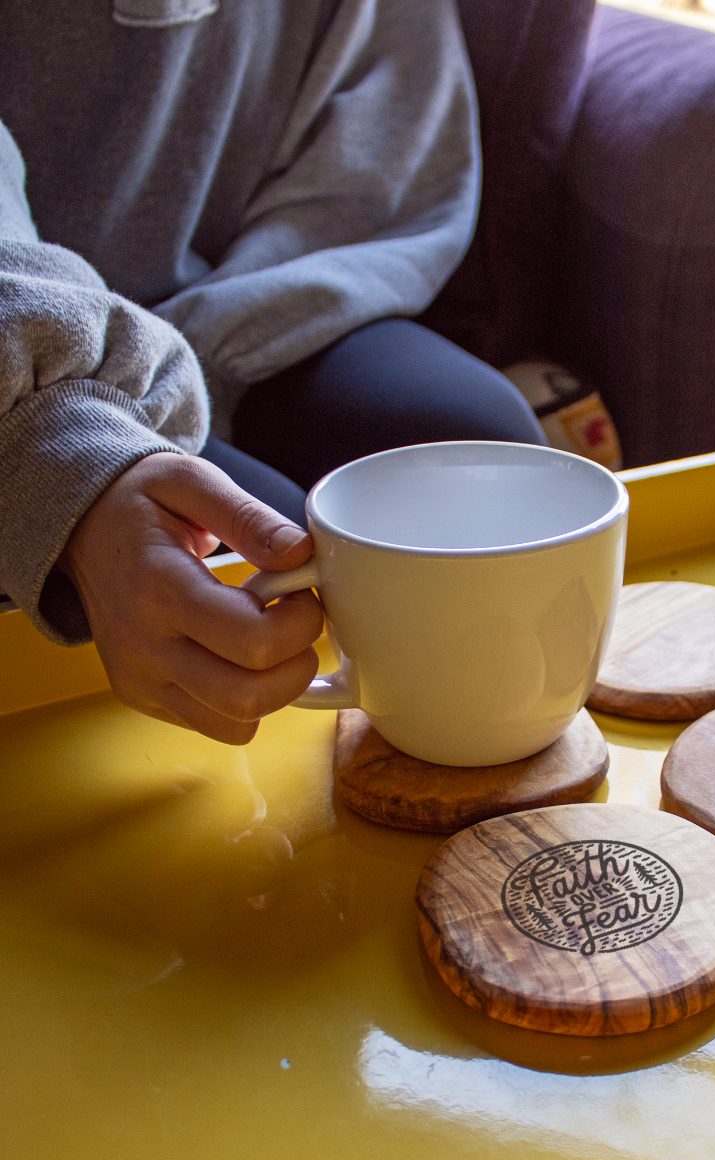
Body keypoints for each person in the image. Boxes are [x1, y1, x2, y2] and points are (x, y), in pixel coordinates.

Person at [0, 0, 545, 745]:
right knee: (256, 558)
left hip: (250, 279)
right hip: (23, 330)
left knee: (480, 444)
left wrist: (194, 358)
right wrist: (57, 448)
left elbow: (379, 105)